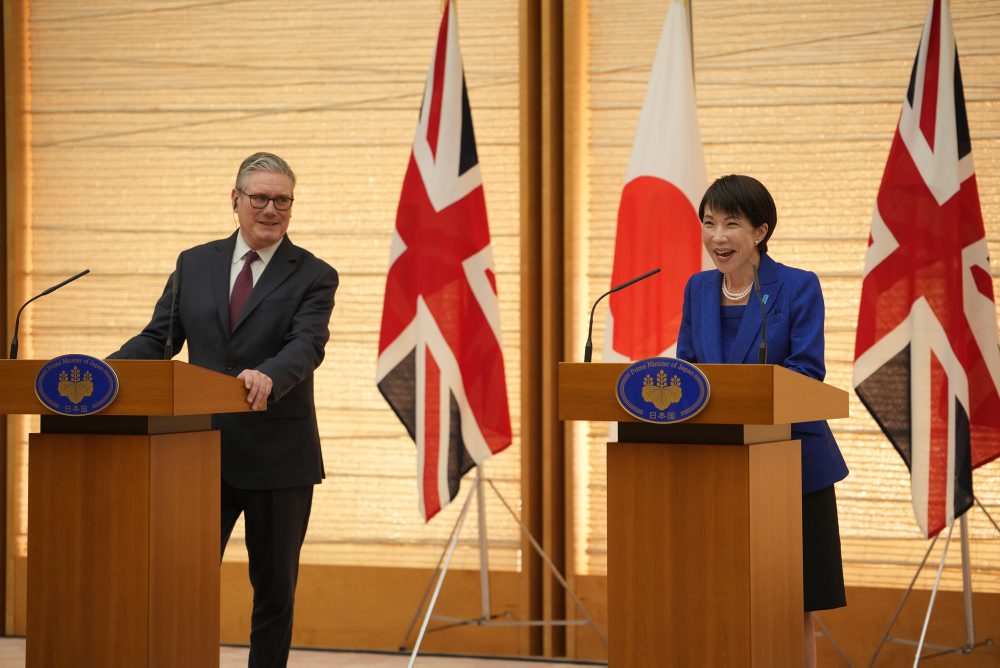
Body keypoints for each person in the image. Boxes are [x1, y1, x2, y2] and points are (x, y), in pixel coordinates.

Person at [109, 152, 338, 667]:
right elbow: (158, 339)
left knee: (274, 590)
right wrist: (105, 372)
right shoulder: (195, 263)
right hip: (198, 452)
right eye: (259, 197)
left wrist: (270, 375)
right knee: (183, 581)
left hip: (279, 456)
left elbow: (308, 345)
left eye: (283, 200)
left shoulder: (315, 275)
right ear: (235, 200)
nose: (271, 209)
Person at [676, 174, 848, 668]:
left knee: (791, 601)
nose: (717, 237)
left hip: (789, 467)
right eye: (709, 224)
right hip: (719, 468)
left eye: (732, 224)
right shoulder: (698, 290)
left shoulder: (796, 287)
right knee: (722, 598)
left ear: (761, 232)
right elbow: (686, 368)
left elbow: (807, 371)